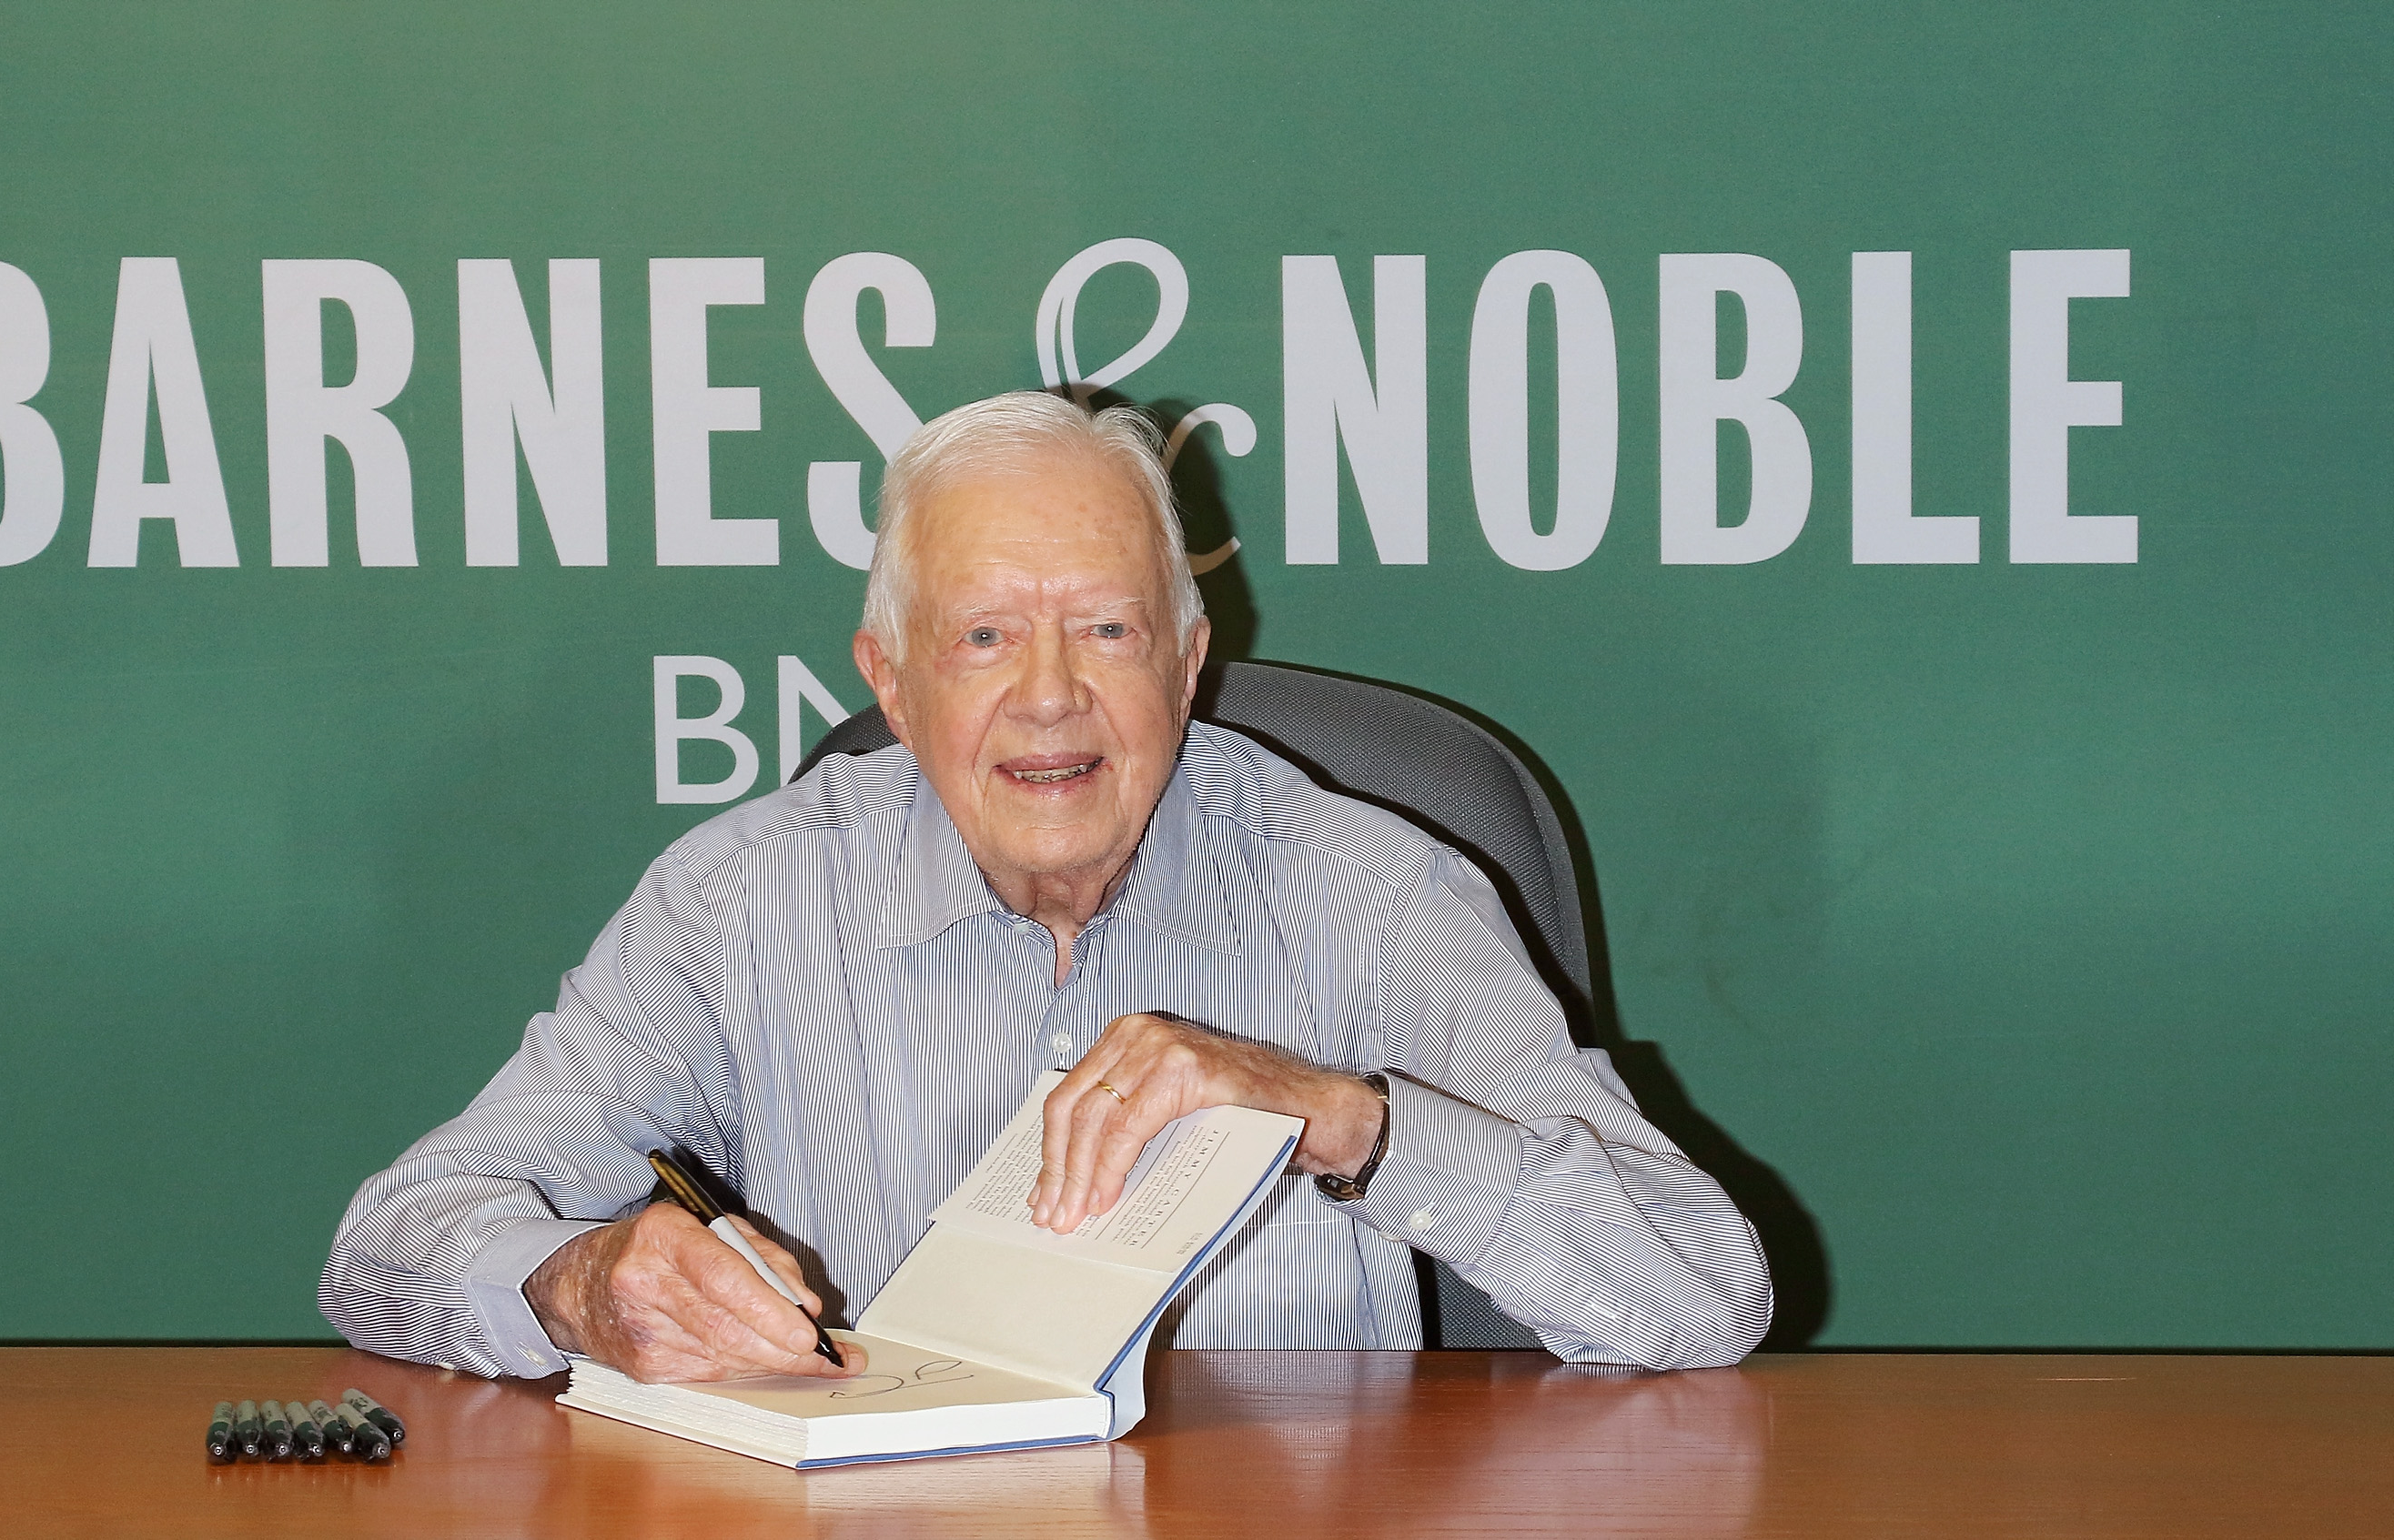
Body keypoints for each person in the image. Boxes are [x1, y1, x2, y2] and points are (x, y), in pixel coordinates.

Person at [320, 390, 1773, 1384]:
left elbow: (1704, 1291)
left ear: (1189, 661)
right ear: (889, 681)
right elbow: (394, 1235)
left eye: (1106, 628)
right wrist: (584, 1286)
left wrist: (1347, 1115)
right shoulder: (748, 904)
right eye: (984, 640)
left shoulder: (1372, 896)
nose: (1052, 699)